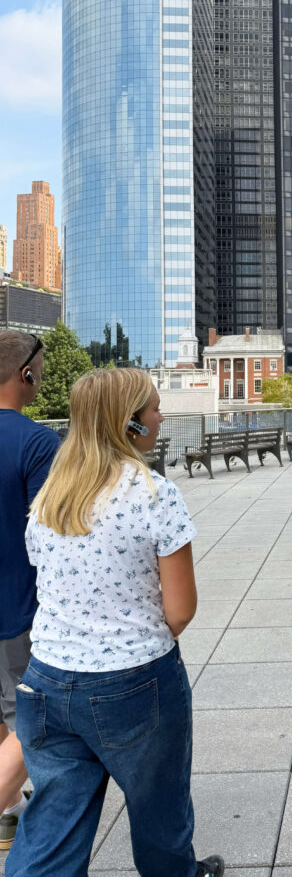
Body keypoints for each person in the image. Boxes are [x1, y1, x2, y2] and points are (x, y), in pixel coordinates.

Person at [6, 368, 224, 877]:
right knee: (159, 813)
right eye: (152, 409)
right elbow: (181, 609)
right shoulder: (155, 495)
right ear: (130, 425)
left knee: (52, 827)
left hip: (46, 680)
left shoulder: (49, 499)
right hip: (134, 682)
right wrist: (132, 644)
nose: (161, 415)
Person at [0, 332, 60, 851]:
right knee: (29, 720)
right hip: (15, 607)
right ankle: (20, 810)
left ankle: (11, 811)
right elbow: (51, 532)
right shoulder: (39, 442)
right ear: (26, 374)